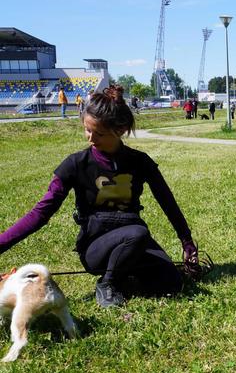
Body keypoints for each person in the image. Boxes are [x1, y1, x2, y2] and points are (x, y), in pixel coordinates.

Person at [0, 85, 200, 307]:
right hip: (96, 247)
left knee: (172, 282)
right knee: (138, 234)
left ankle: (124, 275)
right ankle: (107, 283)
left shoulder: (140, 162)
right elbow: (41, 213)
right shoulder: (75, 164)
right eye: (87, 129)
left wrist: (187, 243)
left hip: (133, 240)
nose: (90, 138)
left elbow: (167, 202)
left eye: (99, 133)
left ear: (121, 129)